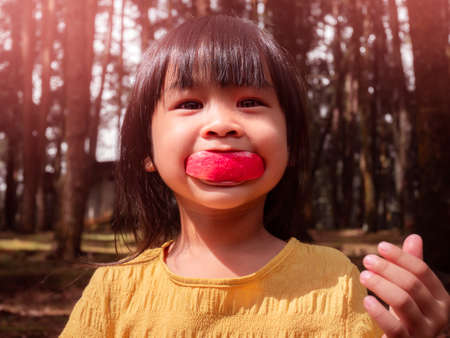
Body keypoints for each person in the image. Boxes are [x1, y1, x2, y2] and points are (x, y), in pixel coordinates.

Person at [60, 15, 449, 337]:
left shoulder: (334, 281)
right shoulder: (115, 292)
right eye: (190, 103)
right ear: (147, 151)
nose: (222, 124)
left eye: (250, 102)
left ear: (291, 144)